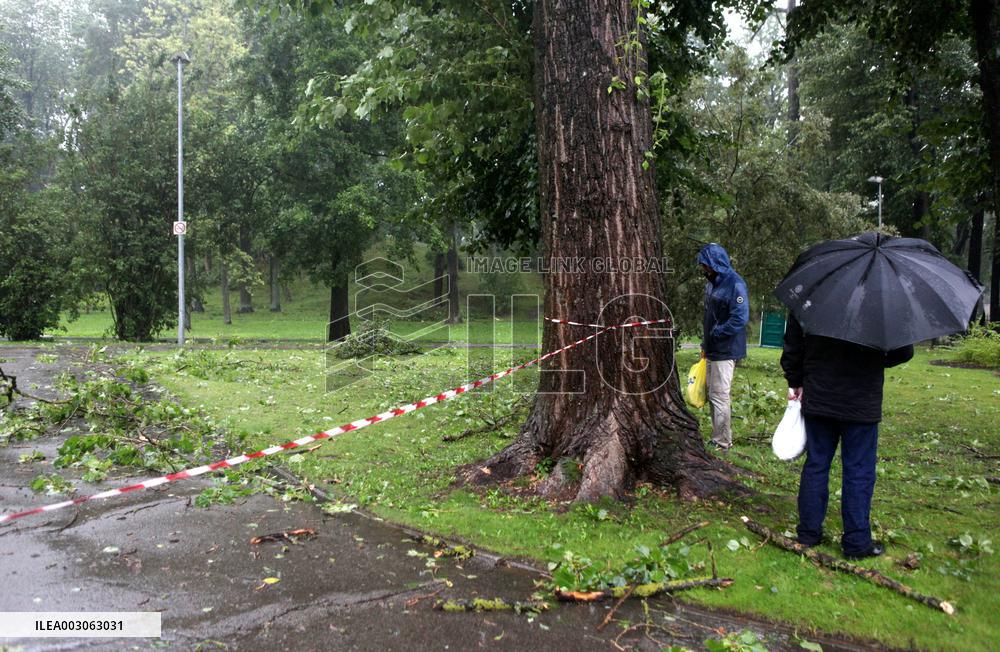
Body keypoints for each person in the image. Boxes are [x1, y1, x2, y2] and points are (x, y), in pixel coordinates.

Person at [780, 315, 913, 560]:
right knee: (858, 470)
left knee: (817, 464)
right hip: (860, 398)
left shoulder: (815, 291)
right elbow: (904, 351)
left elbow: (793, 343)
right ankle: (856, 541)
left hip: (821, 393)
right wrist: (873, 360)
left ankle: (808, 533)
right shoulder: (882, 300)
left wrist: (795, 379)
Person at [696, 243, 749, 450]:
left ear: (715, 263)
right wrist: (705, 342)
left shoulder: (735, 284)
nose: (703, 268)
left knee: (720, 394)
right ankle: (718, 436)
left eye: (705, 264)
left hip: (726, 349)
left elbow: (740, 317)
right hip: (712, 348)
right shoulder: (712, 283)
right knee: (712, 393)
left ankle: (723, 441)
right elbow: (710, 316)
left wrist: (719, 333)